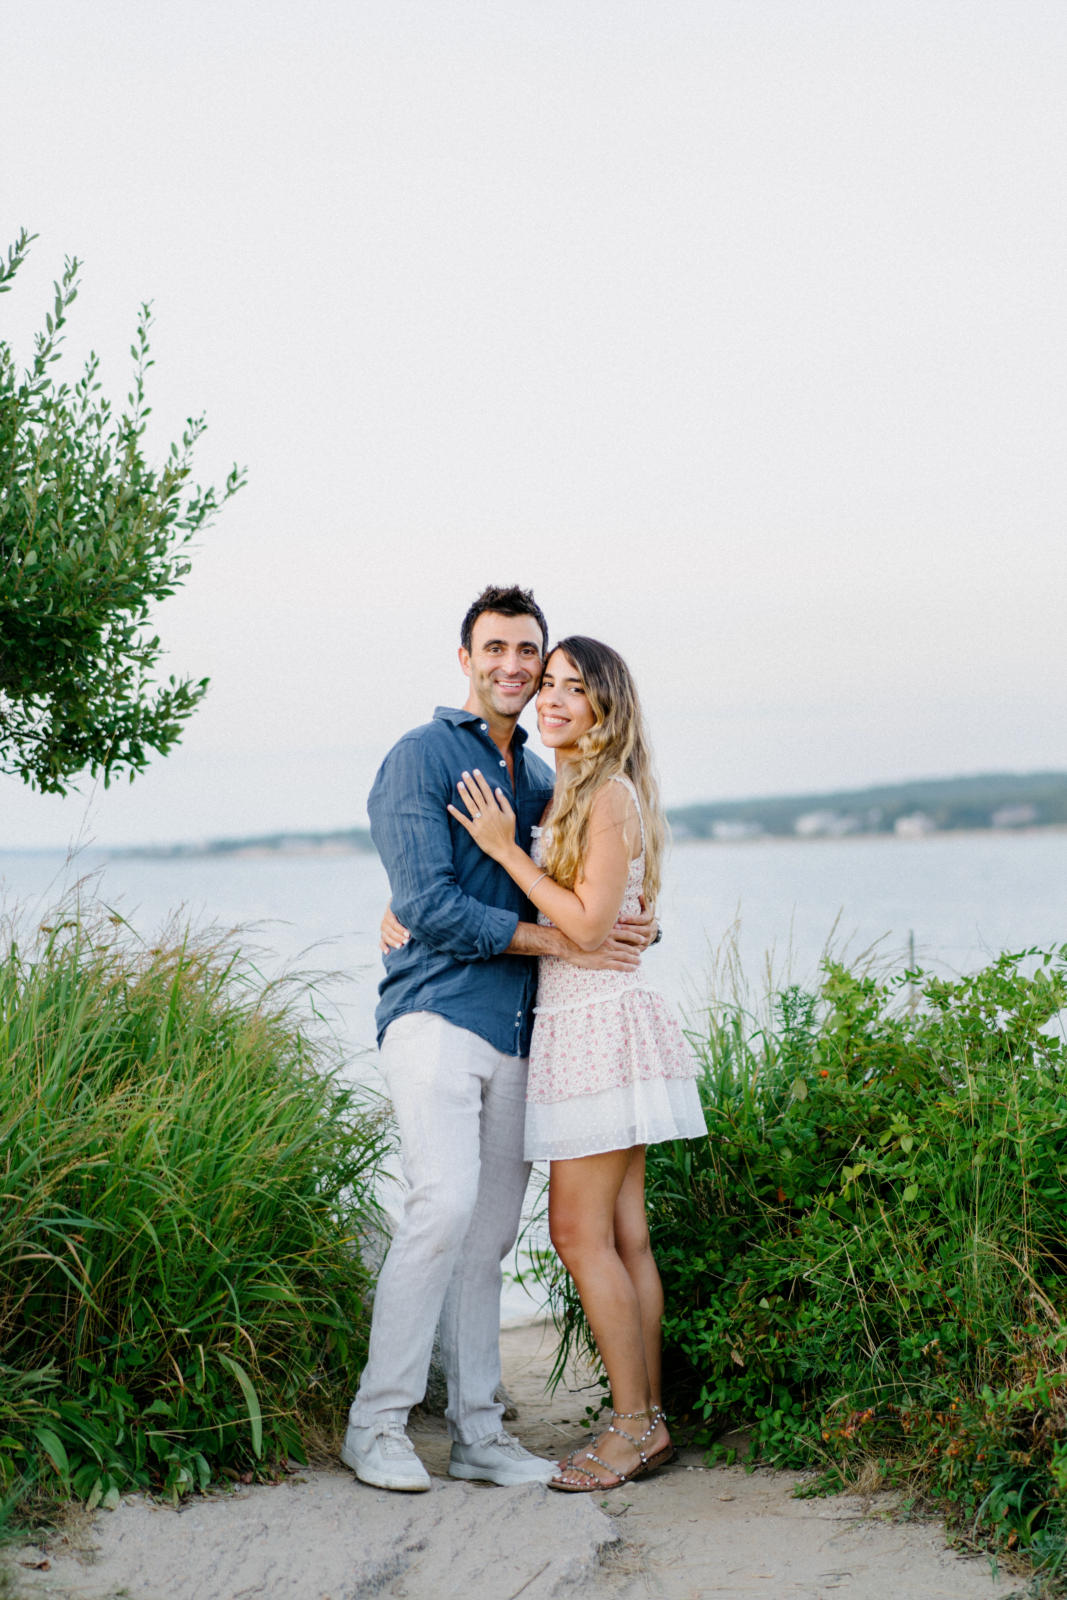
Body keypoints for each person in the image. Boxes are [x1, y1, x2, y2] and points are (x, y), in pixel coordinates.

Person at [342, 588, 656, 1493]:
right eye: (498, 649)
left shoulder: (548, 780)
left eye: (532, 653)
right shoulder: (420, 756)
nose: (516, 668)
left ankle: (478, 1433)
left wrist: (630, 927)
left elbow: (585, 893)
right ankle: (378, 1424)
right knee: (440, 1206)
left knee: (485, 1240)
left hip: (525, 1032)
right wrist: (562, 940)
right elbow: (430, 899)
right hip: (437, 1014)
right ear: (464, 657)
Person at [445, 635, 707, 1492]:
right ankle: (647, 1420)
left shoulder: (604, 795)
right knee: (623, 1236)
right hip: (589, 1022)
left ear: (604, 706)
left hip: (595, 1027)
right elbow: (608, 918)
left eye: (572, 687)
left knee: (576, 1233)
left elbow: (591, 928)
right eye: (546, 683)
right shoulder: (576, 789)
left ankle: (632, 1427)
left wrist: (504, 849)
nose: (552, 697)